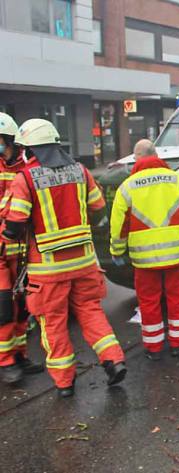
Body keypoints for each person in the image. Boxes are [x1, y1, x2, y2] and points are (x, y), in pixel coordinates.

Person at [2, 119, 126, 397]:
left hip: (48, 270)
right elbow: (98, 210)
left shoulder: (26, 178)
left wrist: (9, 241)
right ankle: (114, 359)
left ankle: (65, 383)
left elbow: (14, 225)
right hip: (83, 263)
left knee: (53, 322)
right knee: (91, 312)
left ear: (29, 149)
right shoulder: (81, 171)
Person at [110, 140, 179, 360]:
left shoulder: (127, 186)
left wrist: (117, 251)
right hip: (177, 254)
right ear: (157, 154)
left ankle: (154, 348)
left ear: (137, 158)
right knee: (177, 298)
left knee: (149, 301)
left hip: (144, 258)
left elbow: (118, 224)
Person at [0, 113, 43, 384]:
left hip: (21, 252)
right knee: (3, 308)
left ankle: (19, 355)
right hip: (2, 252)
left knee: (22, 308)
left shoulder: (23, 170)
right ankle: (5, 361)